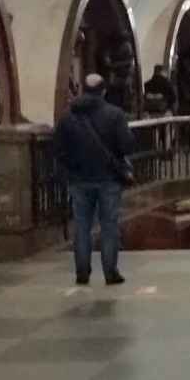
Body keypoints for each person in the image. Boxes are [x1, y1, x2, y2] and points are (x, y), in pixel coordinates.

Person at [53, 73, 135, 286]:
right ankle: (110, 271)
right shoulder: (114, 114)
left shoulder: (67, 116)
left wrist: (72, 167)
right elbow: (126, 145)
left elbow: (59, 148)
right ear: (103, 90)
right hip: (108, 178)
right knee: (109, 225)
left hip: (80, 179)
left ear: (82, 89)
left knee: (81, 225)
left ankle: (82, 271)